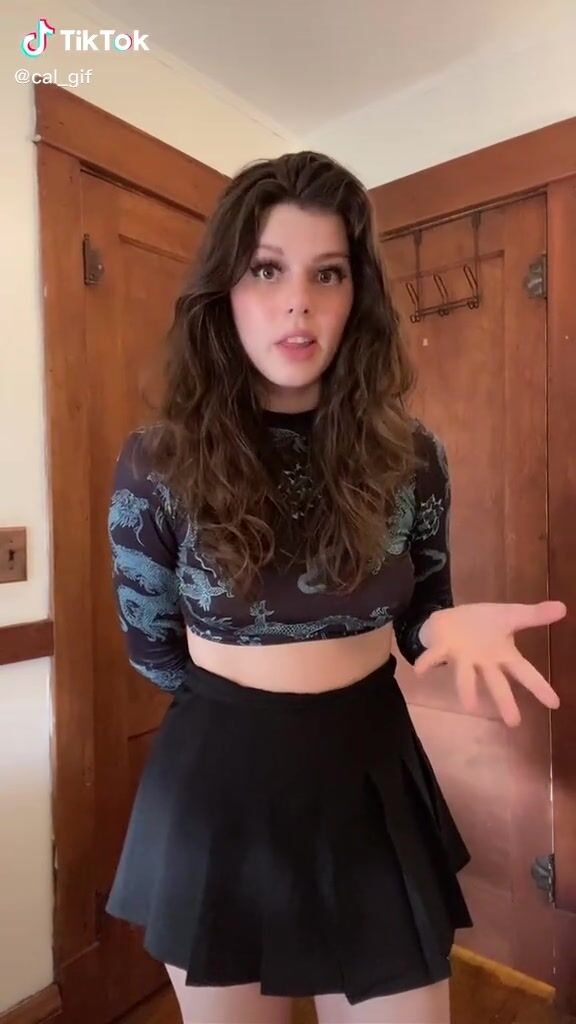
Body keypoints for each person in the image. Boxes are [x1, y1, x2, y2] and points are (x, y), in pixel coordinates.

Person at [105, 150, 566, 1024]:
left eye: (328, 273)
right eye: (266, 270)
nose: (298, 303)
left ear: (359, 295)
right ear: (224, 290)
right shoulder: (158, 462)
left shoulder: (411, 455)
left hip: (369, 774)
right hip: (219, 787)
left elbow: (424, 607)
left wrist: (439, 631)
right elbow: (152, 646)